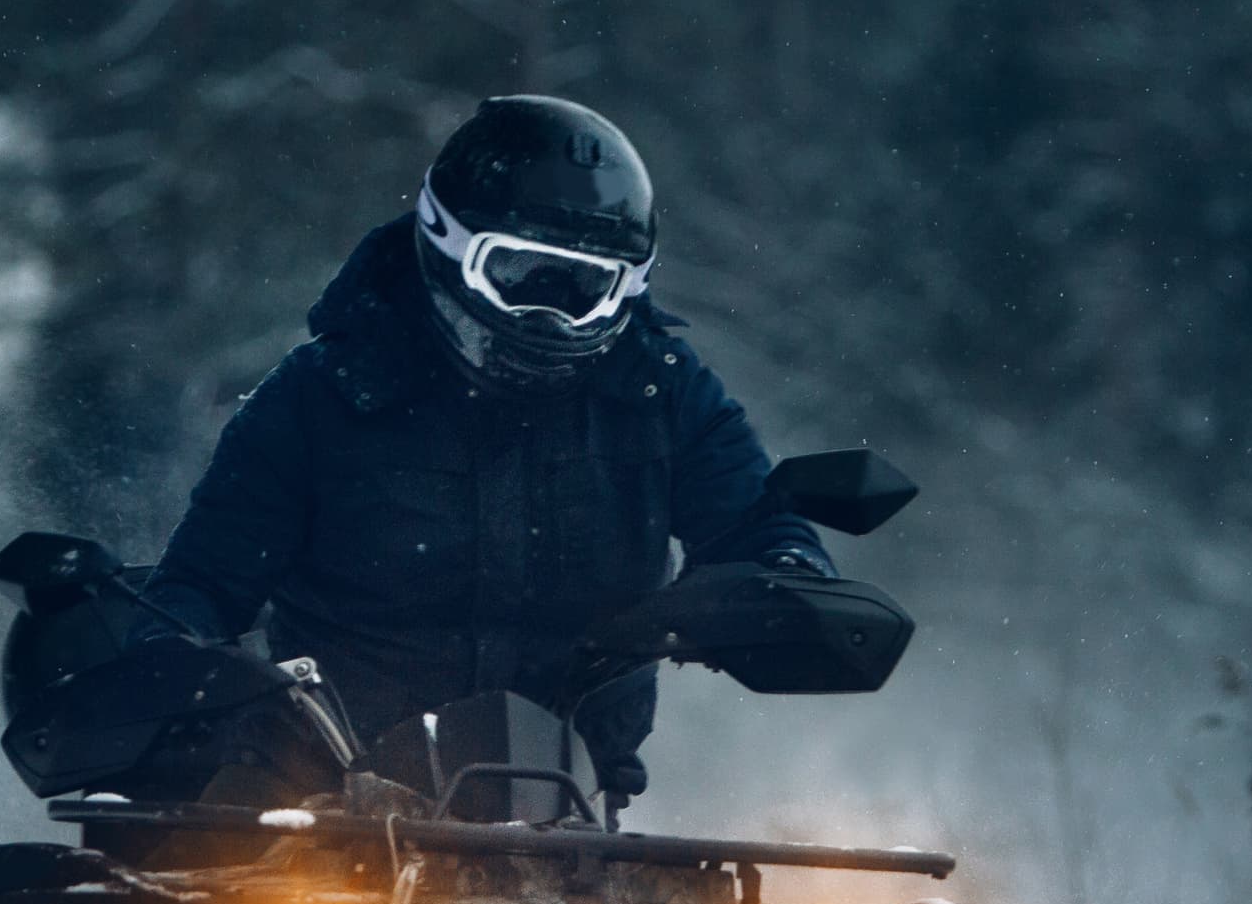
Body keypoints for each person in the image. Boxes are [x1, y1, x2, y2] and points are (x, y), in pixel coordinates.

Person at [136, 95, 828, 808]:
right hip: (319, 804)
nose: (551, 313)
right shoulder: (321, 394)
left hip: (566, 818)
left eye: (586, 288)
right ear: (447, 242)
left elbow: (753, 518)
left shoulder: (661, 394)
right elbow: (204, 581)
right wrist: (163, 661)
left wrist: (787, 577)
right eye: (523, 274)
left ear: (630, 288)